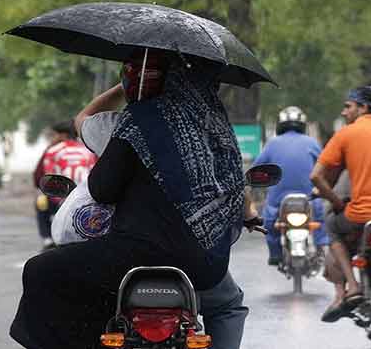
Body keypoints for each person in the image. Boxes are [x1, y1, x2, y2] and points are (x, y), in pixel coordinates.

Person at [11, 50, 246, 349]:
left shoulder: (137, 120)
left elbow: (102, 190)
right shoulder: (215, 126)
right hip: (204, 264)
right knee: (228, 304)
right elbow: (236, 191)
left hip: (136, 256)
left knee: (40, 270)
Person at [75, 83, 251, 349]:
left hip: (130, 252)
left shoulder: (124, 124)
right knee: (228, 305)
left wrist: (120, 90)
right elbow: (234, 184)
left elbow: (100, 185)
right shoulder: (210, 128)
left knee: (77, 292)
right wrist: (248, 213)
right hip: (196, 259)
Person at [310, 86, 371, 322]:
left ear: (364, 107)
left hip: (359, 216)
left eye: (348, 106)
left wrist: (337, 202)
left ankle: (352, 286)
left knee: (331, 226)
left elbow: (316, 177)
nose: (343, 112)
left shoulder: (346, 134)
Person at [253, 106, 328, 266]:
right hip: (309, 197)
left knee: (269, 222)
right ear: (302, 124)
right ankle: (321, 248)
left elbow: (256, 168)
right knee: (319, 216)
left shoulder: (272, 144)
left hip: (278, 199)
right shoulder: (312, 143)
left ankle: (275, 254)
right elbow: (324, 166)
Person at [32, 121, 97, 249]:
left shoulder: (52, 151)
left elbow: (39, 177)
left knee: (40, 202)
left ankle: (47, 239)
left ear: (62, 135)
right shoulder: (88, 150)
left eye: (53, 135)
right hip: (87, 199)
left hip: (60, 199)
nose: (52, 138)